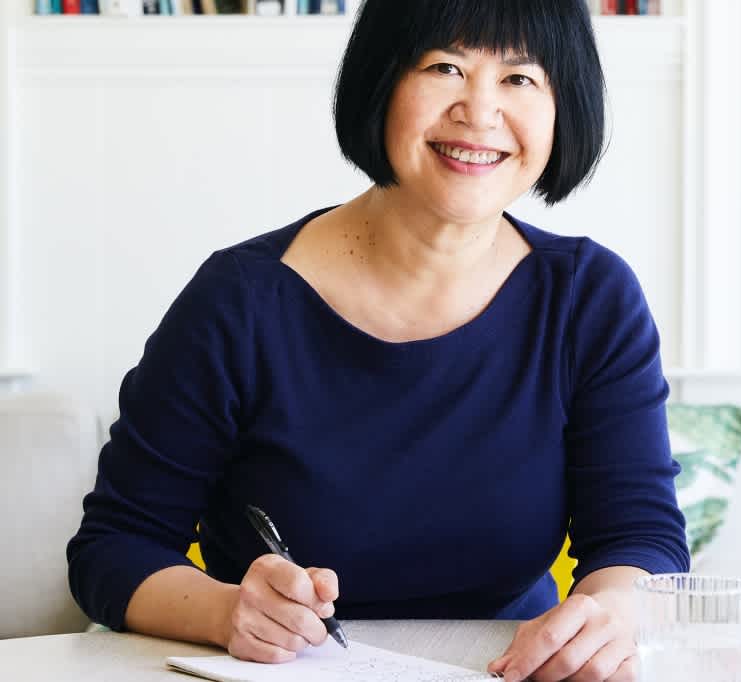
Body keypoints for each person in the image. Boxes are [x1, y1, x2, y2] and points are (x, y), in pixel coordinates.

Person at [67, 1, 689, 680]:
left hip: (506, 670)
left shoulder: (590, 299)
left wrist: (606, 617)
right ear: (380, 81)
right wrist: (225, 610)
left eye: (520, 78)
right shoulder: (239, 301)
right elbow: (115, 546)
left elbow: (640, 537)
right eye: (446, 66)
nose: (480, 112)